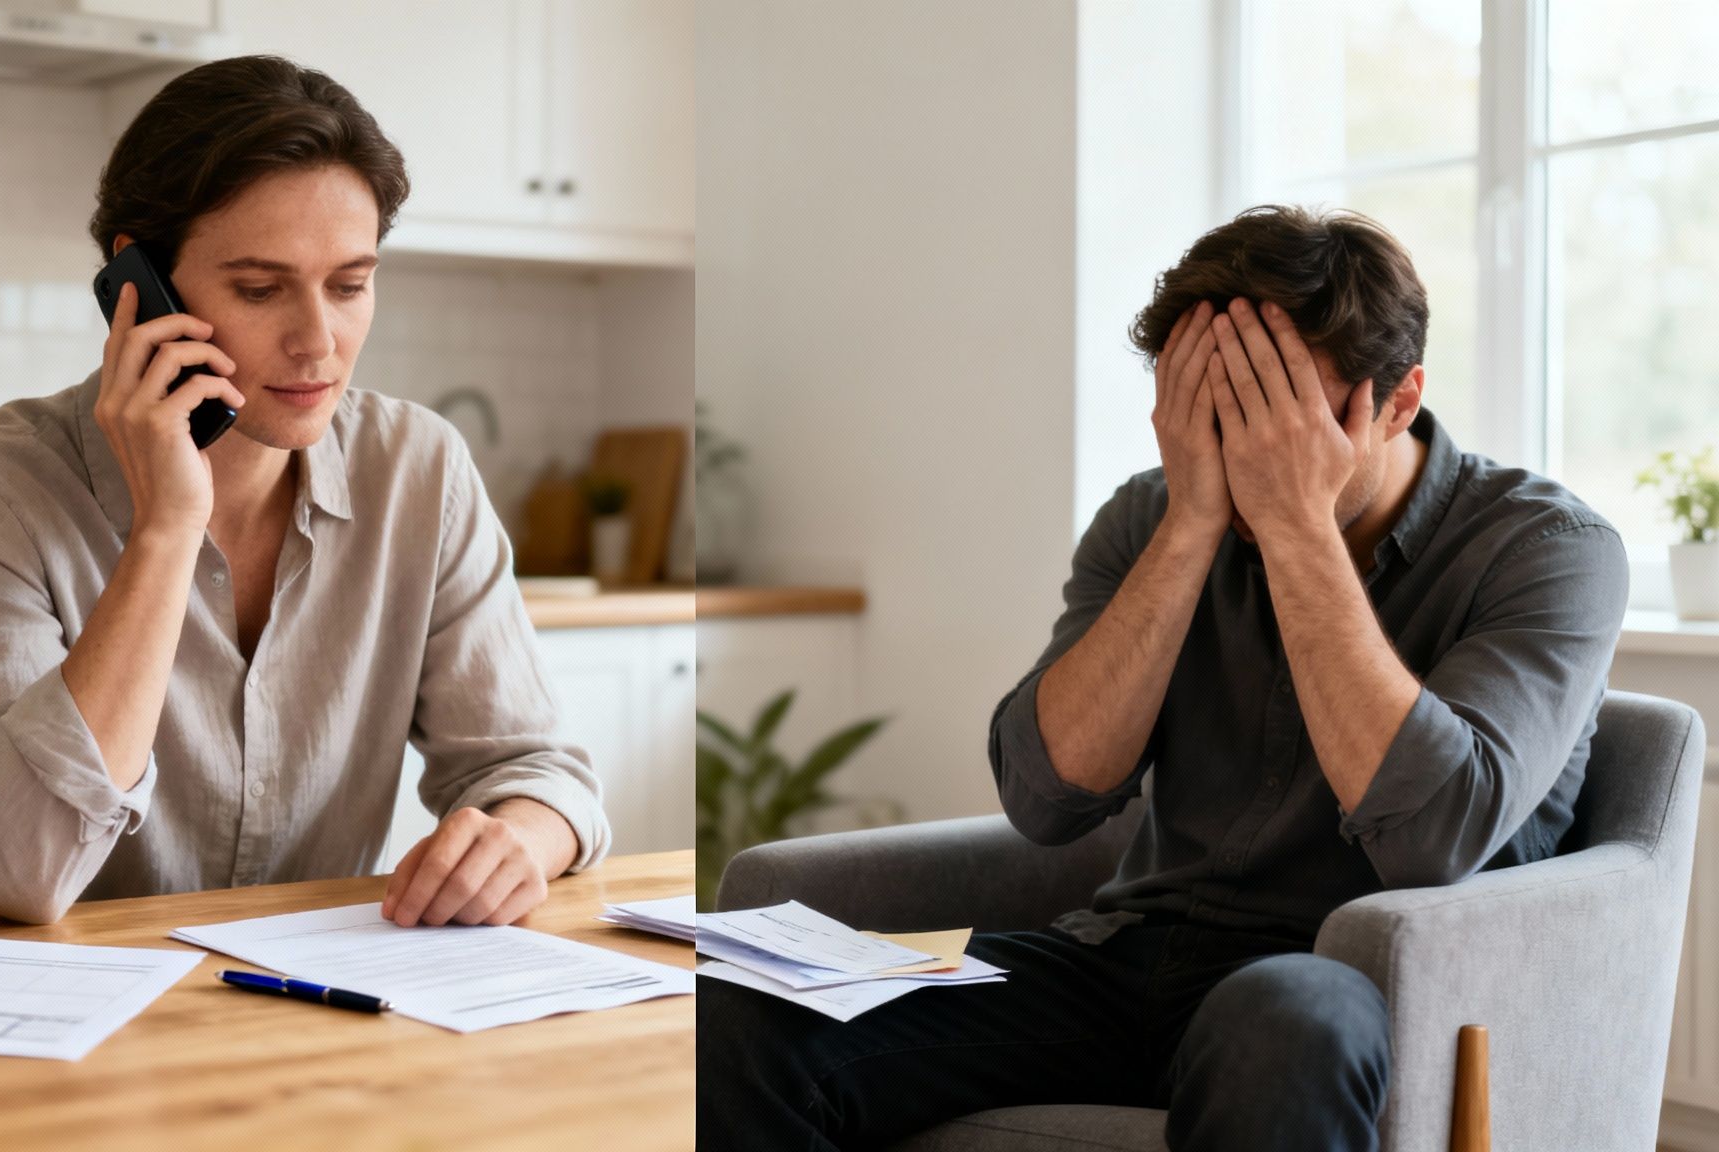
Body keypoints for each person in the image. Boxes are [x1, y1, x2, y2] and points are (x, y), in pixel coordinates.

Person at [697, 205, 1629, 1151]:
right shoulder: (1154, 515)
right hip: (1124, 963)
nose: (1242, 451)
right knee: (744, 1011)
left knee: (1282, 1021)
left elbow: (1432, 836)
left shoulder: (1549, 550)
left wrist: (1298, 528)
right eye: (1214, 412)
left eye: (1280, 416)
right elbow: (1044, 797)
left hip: (1339, 976)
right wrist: (1189, 525)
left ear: (1396, 401)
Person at [0, 55, 606, 927]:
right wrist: (166, 528)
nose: (320, 342)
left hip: (307, 1013)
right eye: (260, 289)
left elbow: (538, 772)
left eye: (350, 285)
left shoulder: (419, 468)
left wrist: (519, 843)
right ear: (138, 287)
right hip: (39, 1017)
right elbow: (24, 874)